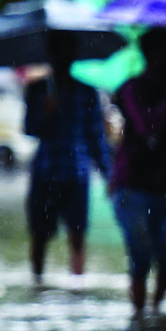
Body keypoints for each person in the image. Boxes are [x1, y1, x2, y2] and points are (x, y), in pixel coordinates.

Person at [109, 29, 166, 317]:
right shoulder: (133, 88)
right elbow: (147, 126)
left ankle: (155, 311)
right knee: (141, 257)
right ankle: (139, 318)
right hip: (133, 186)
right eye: (164, 52)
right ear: (150, 55)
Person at [24, 30, 111, 287]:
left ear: (74, 54)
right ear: (50, 54)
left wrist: (109, 175)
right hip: (45, 172)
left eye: (67, 50)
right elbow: (29, 128)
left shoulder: (86, 92)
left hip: (76, 173)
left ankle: (77, 287)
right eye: (57, 50)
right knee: (40, 235)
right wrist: (45, 112)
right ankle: (37, 284)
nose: (63, 56)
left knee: (78, 236)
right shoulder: (37, 90)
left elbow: (96, 136)